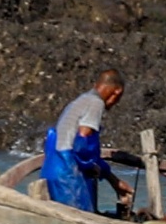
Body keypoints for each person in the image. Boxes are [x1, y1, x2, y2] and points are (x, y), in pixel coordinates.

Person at [43, 69, 128, 215]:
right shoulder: (96, 103)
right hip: (68, 173)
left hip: (53, 167)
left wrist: (113, 180)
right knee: (81, 218)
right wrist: (92, 166)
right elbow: (83, 140)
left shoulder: (81, 100)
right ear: (116, 92)